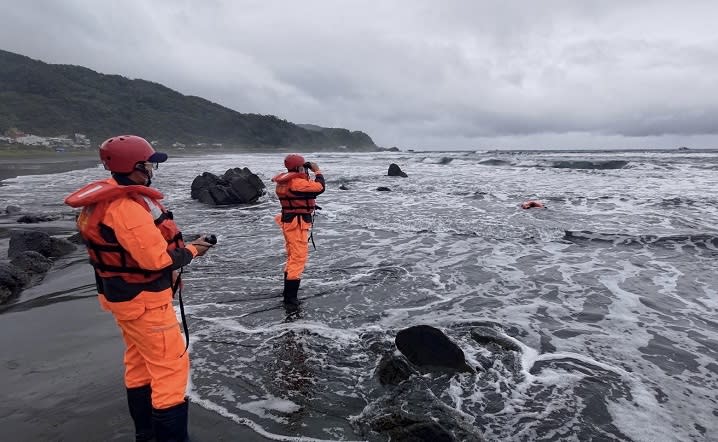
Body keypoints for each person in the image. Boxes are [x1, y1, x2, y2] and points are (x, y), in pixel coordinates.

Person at [64, 135, 214, 441]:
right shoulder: (126, 208)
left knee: (140, 364)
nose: (152, 168)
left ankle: (145, 434)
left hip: (123, 298)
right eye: (149, 162)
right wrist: (194, 251)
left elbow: (133, 249)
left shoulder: (105, 202)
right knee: (170, 369)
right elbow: (155, 260)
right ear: (135, 167)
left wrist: (184, 245)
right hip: (144, 303)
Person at [271, 154, 325, 306]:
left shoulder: (287, 181)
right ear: (298, 167)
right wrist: (317, 171)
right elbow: (320, 187)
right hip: (297, 224)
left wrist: (304, 172)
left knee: (291, 256)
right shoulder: (297, 183)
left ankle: (287, 292)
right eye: (303, 166)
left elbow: (301, 193)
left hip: (288, 221)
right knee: (298, 258)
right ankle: (290, 299)